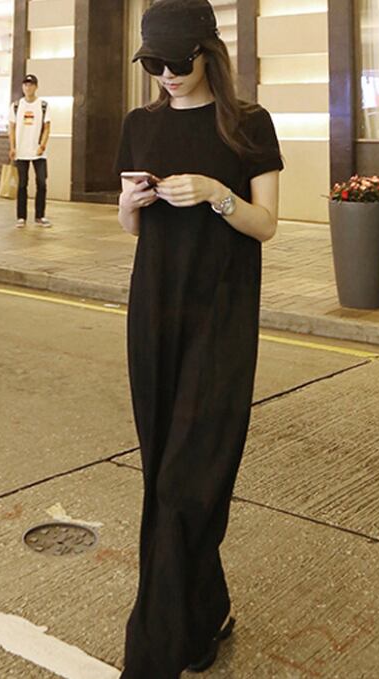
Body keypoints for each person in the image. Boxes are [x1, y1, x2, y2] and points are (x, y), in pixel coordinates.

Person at [114, 1, 283, 676]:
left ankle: (150, 654)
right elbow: (131, 228)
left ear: (209, 53)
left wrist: (216, 191)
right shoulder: (139, 124)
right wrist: (129, 205)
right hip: (154, 312)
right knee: (165, 475)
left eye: (177, 62)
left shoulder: (248, 124)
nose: (166, 75)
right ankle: (206, 611)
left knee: (187, 484)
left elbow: (266, 224)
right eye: (152, 63)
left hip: (221, 315)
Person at [8, 74, 52, 228]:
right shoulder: (16, 106)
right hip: (21, 151)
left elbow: (47, 127)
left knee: (42, 183)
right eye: (26, 85)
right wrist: (12, 147)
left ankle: (40, 216)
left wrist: (42, 146)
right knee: (22, 184)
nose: (28, 87)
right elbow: (12, 128)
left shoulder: (43, 105)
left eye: (31, 84)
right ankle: (21, 217)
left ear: (36, 87)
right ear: (22, 87)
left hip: (39, 152)